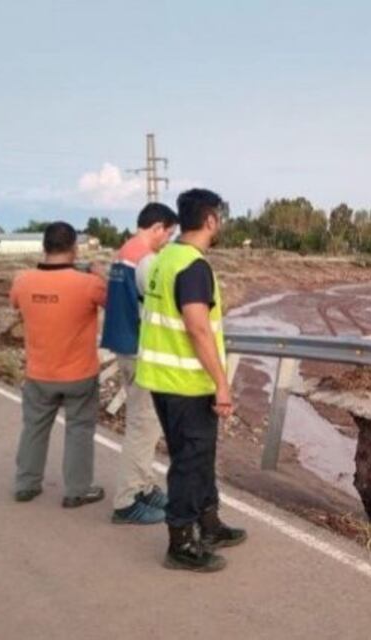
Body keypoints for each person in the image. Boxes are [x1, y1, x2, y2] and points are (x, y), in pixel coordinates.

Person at [136, 188, 246, 572]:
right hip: (186, 383)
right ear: (211, 220)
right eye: (219, 218)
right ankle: (181, 541)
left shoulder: (166, 257)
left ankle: (208, 522)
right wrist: (222, 383)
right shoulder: (193, 266)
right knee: (189, 461)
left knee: (198, 458)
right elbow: (199, 328)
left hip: (162, 379)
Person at [10, 222, 107, 508]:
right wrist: (101, 275)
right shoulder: (90, 284)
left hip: (39, 372)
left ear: (44, 247)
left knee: (34, 428)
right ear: (75, 249)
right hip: (80, 373)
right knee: (79, 429)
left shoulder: (23, 281)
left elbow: (15, 303)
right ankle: (77, 489)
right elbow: (114, 304)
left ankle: (26, 484)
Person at [101, 203, 179, 525]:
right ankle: (127, 500)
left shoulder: (123, 253)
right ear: (157, 227)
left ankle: (144, 487)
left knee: (145, 423)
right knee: (143, 426)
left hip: (124, 344)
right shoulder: (145, 260)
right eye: (169, 234)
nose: (168, 241)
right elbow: (162, 302)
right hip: (140, 350)